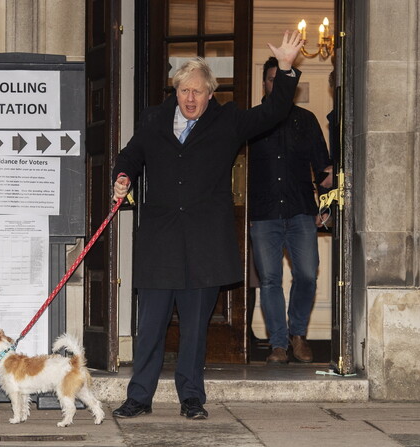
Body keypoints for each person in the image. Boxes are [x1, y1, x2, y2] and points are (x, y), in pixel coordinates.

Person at [110, 31, 304, 420]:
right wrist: (122, 176)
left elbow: (273, 112)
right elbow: (130, 155)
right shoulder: (153, 119)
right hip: (160, 241)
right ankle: (139, 397)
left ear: (210, 93)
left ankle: (191, 398)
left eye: (198, 91)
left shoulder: (227, 121)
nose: (191, 98)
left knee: (195, 330)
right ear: (175, 91)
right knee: (150, 327)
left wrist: (284, 69)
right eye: (184, 91)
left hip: (204, 243)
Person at [248, 56, 333, 365]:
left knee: (308, 275)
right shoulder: (253, 120)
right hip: (263, 214)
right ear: (265, 83)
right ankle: (279, 345)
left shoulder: (306, 120)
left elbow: (323, 166)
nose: (277, 84)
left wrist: (326, 205)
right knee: (270, 280)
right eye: (272, 79)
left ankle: (298, 335)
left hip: (300, 212)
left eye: (282, 79)